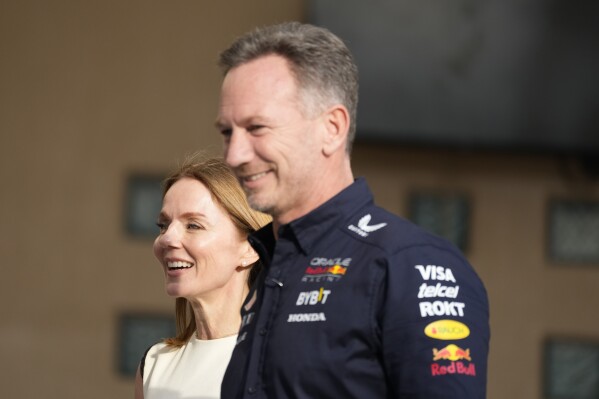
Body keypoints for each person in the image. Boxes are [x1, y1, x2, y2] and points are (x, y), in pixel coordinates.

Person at [215, 21, 490, 398]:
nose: (234, 155)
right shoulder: (269, 264)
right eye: (228, 132)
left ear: (332, 127)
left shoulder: (407, 264)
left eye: (257, 128)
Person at [134, 156, 271, 399]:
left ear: (251, 247)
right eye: (163, 225)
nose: (166, 239)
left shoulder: (283, 363)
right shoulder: (155, 366)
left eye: (194, 225)